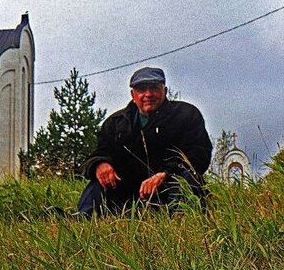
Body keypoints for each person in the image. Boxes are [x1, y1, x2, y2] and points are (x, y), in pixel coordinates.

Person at [77, 66, 212, 216]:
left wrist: (165, 174)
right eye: (141, 89)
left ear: (165, 91)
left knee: (188, 178)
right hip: (130, 195)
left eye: (154, 88)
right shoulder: (116, 123)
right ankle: (82, 218)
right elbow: (99, 152)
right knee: (100, 181)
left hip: (170, 189)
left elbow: (199, 155)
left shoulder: (186, 115)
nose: (148, 94)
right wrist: (100, 164)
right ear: (133, 95)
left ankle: (181, 222)